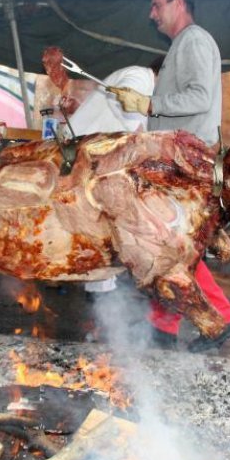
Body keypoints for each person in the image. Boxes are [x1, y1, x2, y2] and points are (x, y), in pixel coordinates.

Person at [110, 0, 230, 352]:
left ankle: (223, 317)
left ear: (178, 3)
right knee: (165, 243)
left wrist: (151, 105)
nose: (152, 14)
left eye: (157, 5)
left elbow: (199, 97)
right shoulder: (182, 46)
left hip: (186, 163)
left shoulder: (194, 41)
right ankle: (163, 324)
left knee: (172, 245)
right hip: (179, 161)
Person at [61, 60, 158, 297]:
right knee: (97, 224)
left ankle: (101, 293)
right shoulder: (140, 74)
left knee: (100, 226)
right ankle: (99, 295)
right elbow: (123, 102)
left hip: (90, 155)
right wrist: (138, 133)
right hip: (84, 155)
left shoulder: (142, 79)